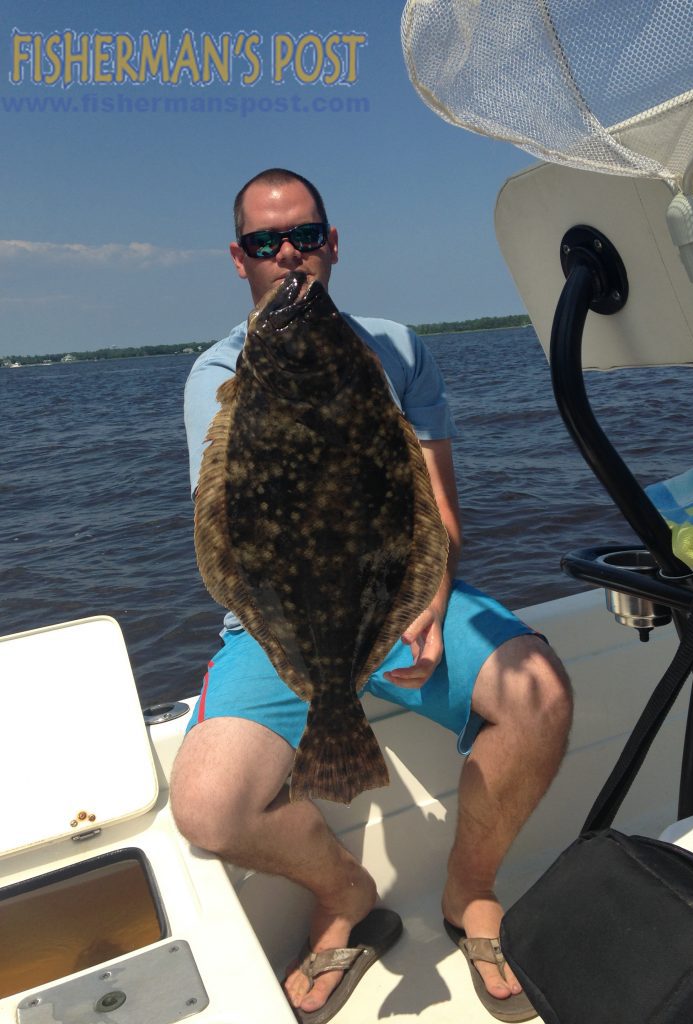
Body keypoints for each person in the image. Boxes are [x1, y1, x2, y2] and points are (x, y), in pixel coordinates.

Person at [171, 167, 573, 1024]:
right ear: (238, 260)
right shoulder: (218, 374)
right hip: (282, 620)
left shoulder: (395, 346)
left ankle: (468, 894)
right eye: (264, 243)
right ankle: (345, 890)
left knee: (539, 692)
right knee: (206, 808)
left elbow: (438, 511)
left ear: (332, 244)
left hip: (396, 593)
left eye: (305, 237)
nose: (288, 255)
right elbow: (240, 534)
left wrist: (428, 597)